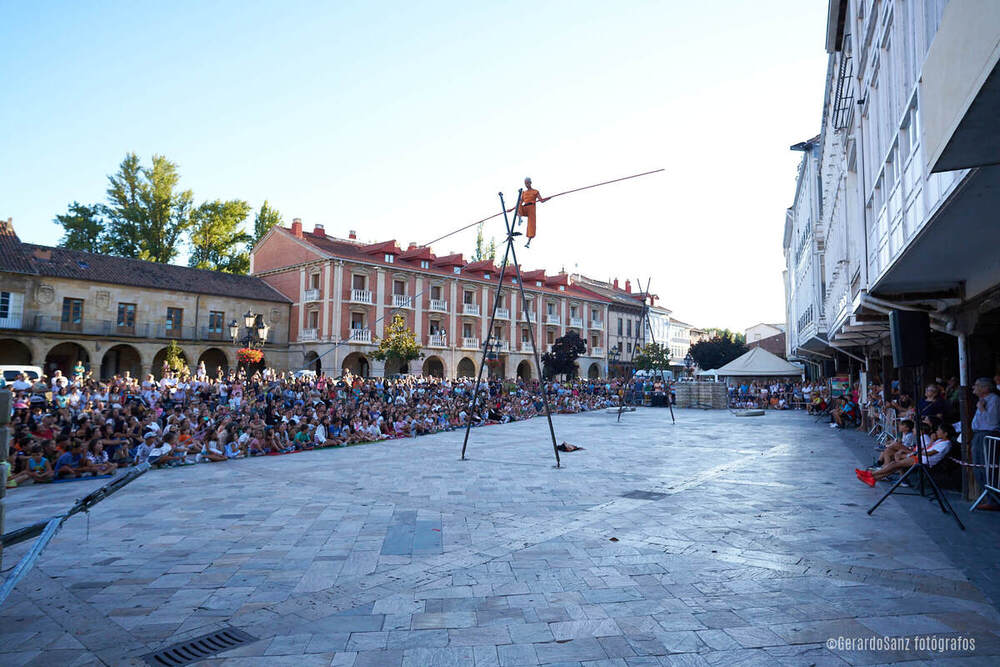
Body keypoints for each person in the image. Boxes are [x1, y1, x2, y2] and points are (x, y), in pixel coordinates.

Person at [970, 377, 1000, 511]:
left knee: (987, 465)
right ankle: (988, 496)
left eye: (976, 385)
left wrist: (981, 408)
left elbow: (991, 421)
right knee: (979, 465)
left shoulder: (994, 399)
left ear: (985, 388)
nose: (973, 388)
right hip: (979, 434)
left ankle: (993, 499)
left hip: (987, 434)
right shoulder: (983, 400)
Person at [517, 177, 548, 248]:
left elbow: (541, 200)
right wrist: (513, 209)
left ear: (530, 183)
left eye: (528, 183)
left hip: (531, 208)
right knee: (518, 204)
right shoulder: (524, 193)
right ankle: (520, 218)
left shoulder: (535, 191)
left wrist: (548, 198)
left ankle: (528, 242)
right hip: (525, 207)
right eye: (525, 183)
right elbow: (520, 203)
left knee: (531, 225)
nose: (527, 184)